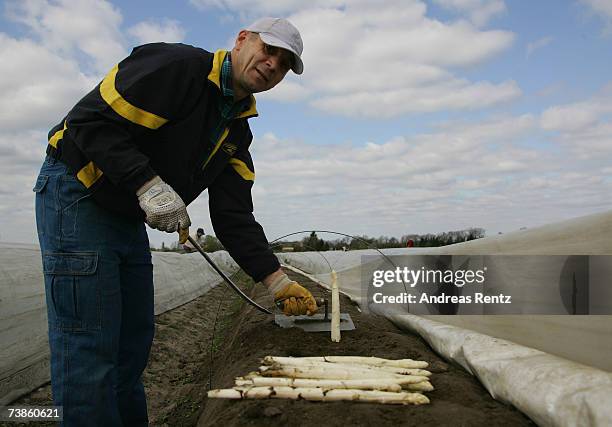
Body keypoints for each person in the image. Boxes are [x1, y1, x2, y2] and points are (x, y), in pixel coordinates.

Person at [33, 17, 317, 426]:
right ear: (241, 40)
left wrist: (276, 280)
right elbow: (87, 121)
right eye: (268, 50)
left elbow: (233, 215)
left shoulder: (237, 131)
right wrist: (147, 184)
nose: (272, 64)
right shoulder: (175, 66)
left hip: (123, 211)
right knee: (89, 347)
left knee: (132, 346)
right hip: (78, 192)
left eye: (284, 63)